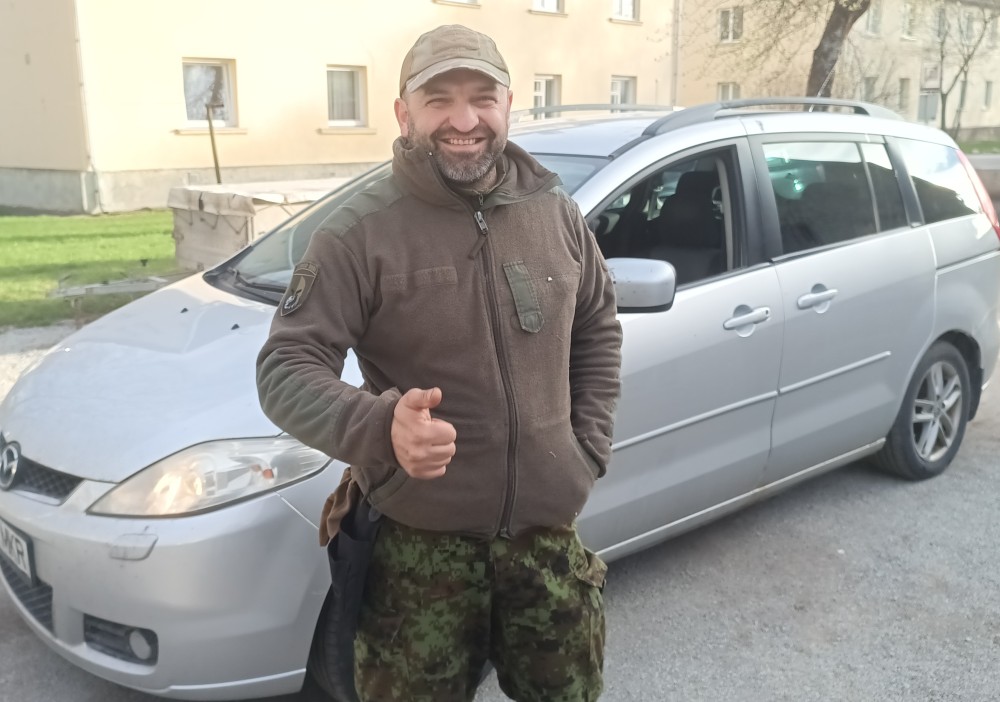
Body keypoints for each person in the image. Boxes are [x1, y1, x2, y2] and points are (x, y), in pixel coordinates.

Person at [256, 24, 622, 702]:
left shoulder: (556, 213)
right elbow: (285, 365)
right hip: (417, 557)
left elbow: (597, 326)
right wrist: (381, 427)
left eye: (482, 98)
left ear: (509, 104)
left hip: (546, 543)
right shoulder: (358, 233)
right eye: (439, 100)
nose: (464, 120)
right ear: (404, 114)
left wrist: (586, 446)